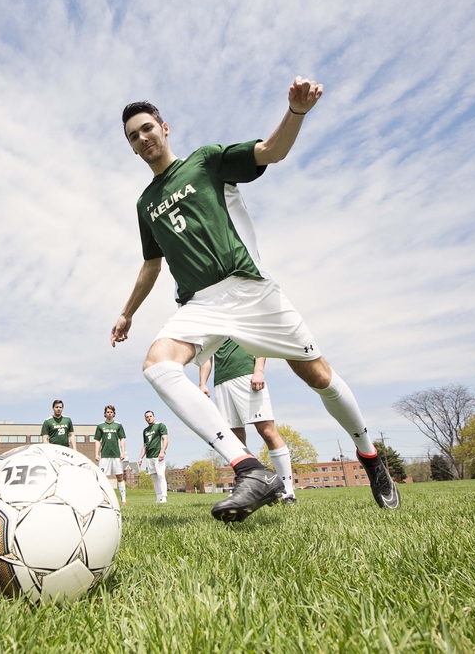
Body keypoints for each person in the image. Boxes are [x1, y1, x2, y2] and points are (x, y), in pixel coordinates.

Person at [110, 77, 400, 522]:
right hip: (200, 305)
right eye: (133, 136)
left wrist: (296, 113)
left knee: (319, 376)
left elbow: (270, 152)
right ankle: (249, 468)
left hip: (250, 289)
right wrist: (127, 312)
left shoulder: (206, 161)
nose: (142, 138)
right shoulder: (146, 203)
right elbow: (152, 265)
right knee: (157, 364)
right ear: (131, 147)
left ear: (165, 128)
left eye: (147, 128)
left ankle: (369, 456)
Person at [199, 338, 295, 504]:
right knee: (235, 440)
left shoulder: (239, 313)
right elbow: (207, 356)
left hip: (246, 375)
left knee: (267, 430)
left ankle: (288, 492)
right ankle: (255, 485)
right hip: (221, 383)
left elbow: (258, 341)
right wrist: (202, 383)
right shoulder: (210, 322)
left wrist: (259, 370)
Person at [94, 405, 128, 504]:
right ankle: (103, 499)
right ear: (105, 413)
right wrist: (96, 454)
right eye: (107, 412)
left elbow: (122, 439)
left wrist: (123, 452)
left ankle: (124, 500)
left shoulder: (118, 425)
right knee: (102, 478)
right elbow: (97, 440)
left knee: (120, 476)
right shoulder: (100, 426)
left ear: (114, 413)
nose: (109, 413)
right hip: (104, 456)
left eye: (111, 412)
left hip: (116, 455)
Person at [137, 410, 169, 503]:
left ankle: (164, 496)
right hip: (149, 456)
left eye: (150, 416)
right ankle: (158, 497)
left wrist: (162, 452)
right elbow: (145, 445)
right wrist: (140, 458)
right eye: (147, 417)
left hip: (158, 455)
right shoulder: (145, 431)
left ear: (154, 416)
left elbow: (165, 439)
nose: (149, 418)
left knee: (160, 475)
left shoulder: (160, 425)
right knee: (154, 477)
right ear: (145, 419)